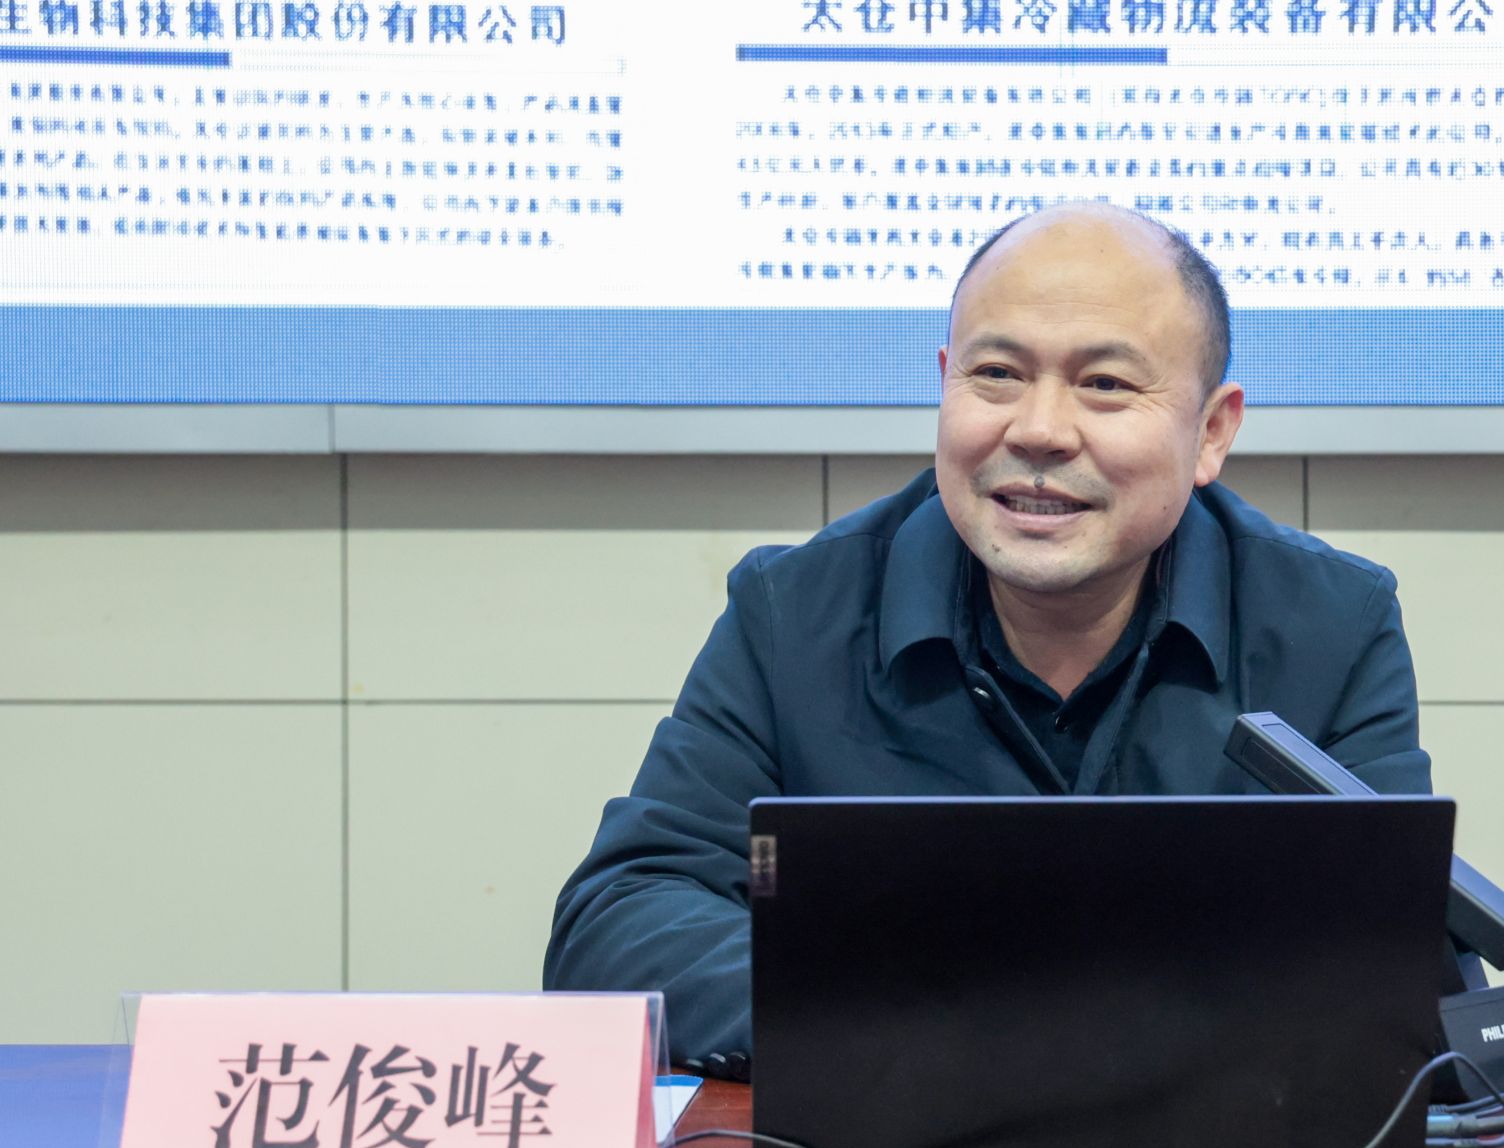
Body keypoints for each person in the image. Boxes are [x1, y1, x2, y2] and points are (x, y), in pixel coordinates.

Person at [546, 203, 1431, 1069]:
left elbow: (1407, 961)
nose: (1038, 430)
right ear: (946, 384)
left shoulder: (1329, 628)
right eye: (998, 374)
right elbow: (621, 922)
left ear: (1211, 431)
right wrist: (913, 1016)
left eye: (1105, 384)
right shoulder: (794, 615)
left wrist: (1035, 1023)